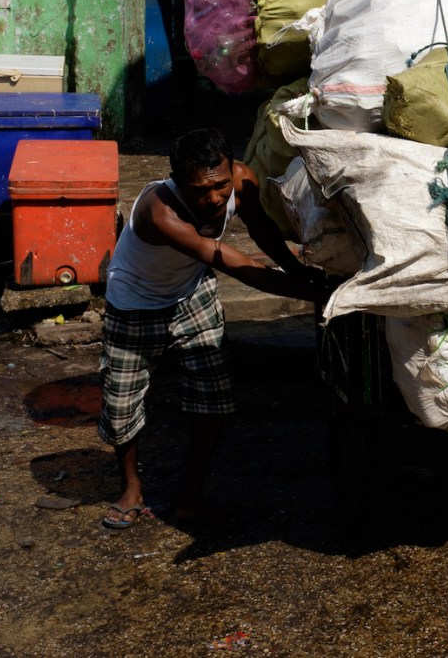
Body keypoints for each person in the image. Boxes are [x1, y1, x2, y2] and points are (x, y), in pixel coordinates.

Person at [97, 127, 321, 529]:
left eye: (220, 186)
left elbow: (263, 230)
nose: (215, 198)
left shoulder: (242, 178)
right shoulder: (159, 210)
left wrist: (300, 273)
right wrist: (312, 292)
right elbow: (228, 259)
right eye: (201, 191)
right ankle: (131, 489)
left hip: (192, 292)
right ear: (179, 182)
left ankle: (191, 496)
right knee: (121, 409)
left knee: (212, 397)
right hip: (134, 304)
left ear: (230, 170)